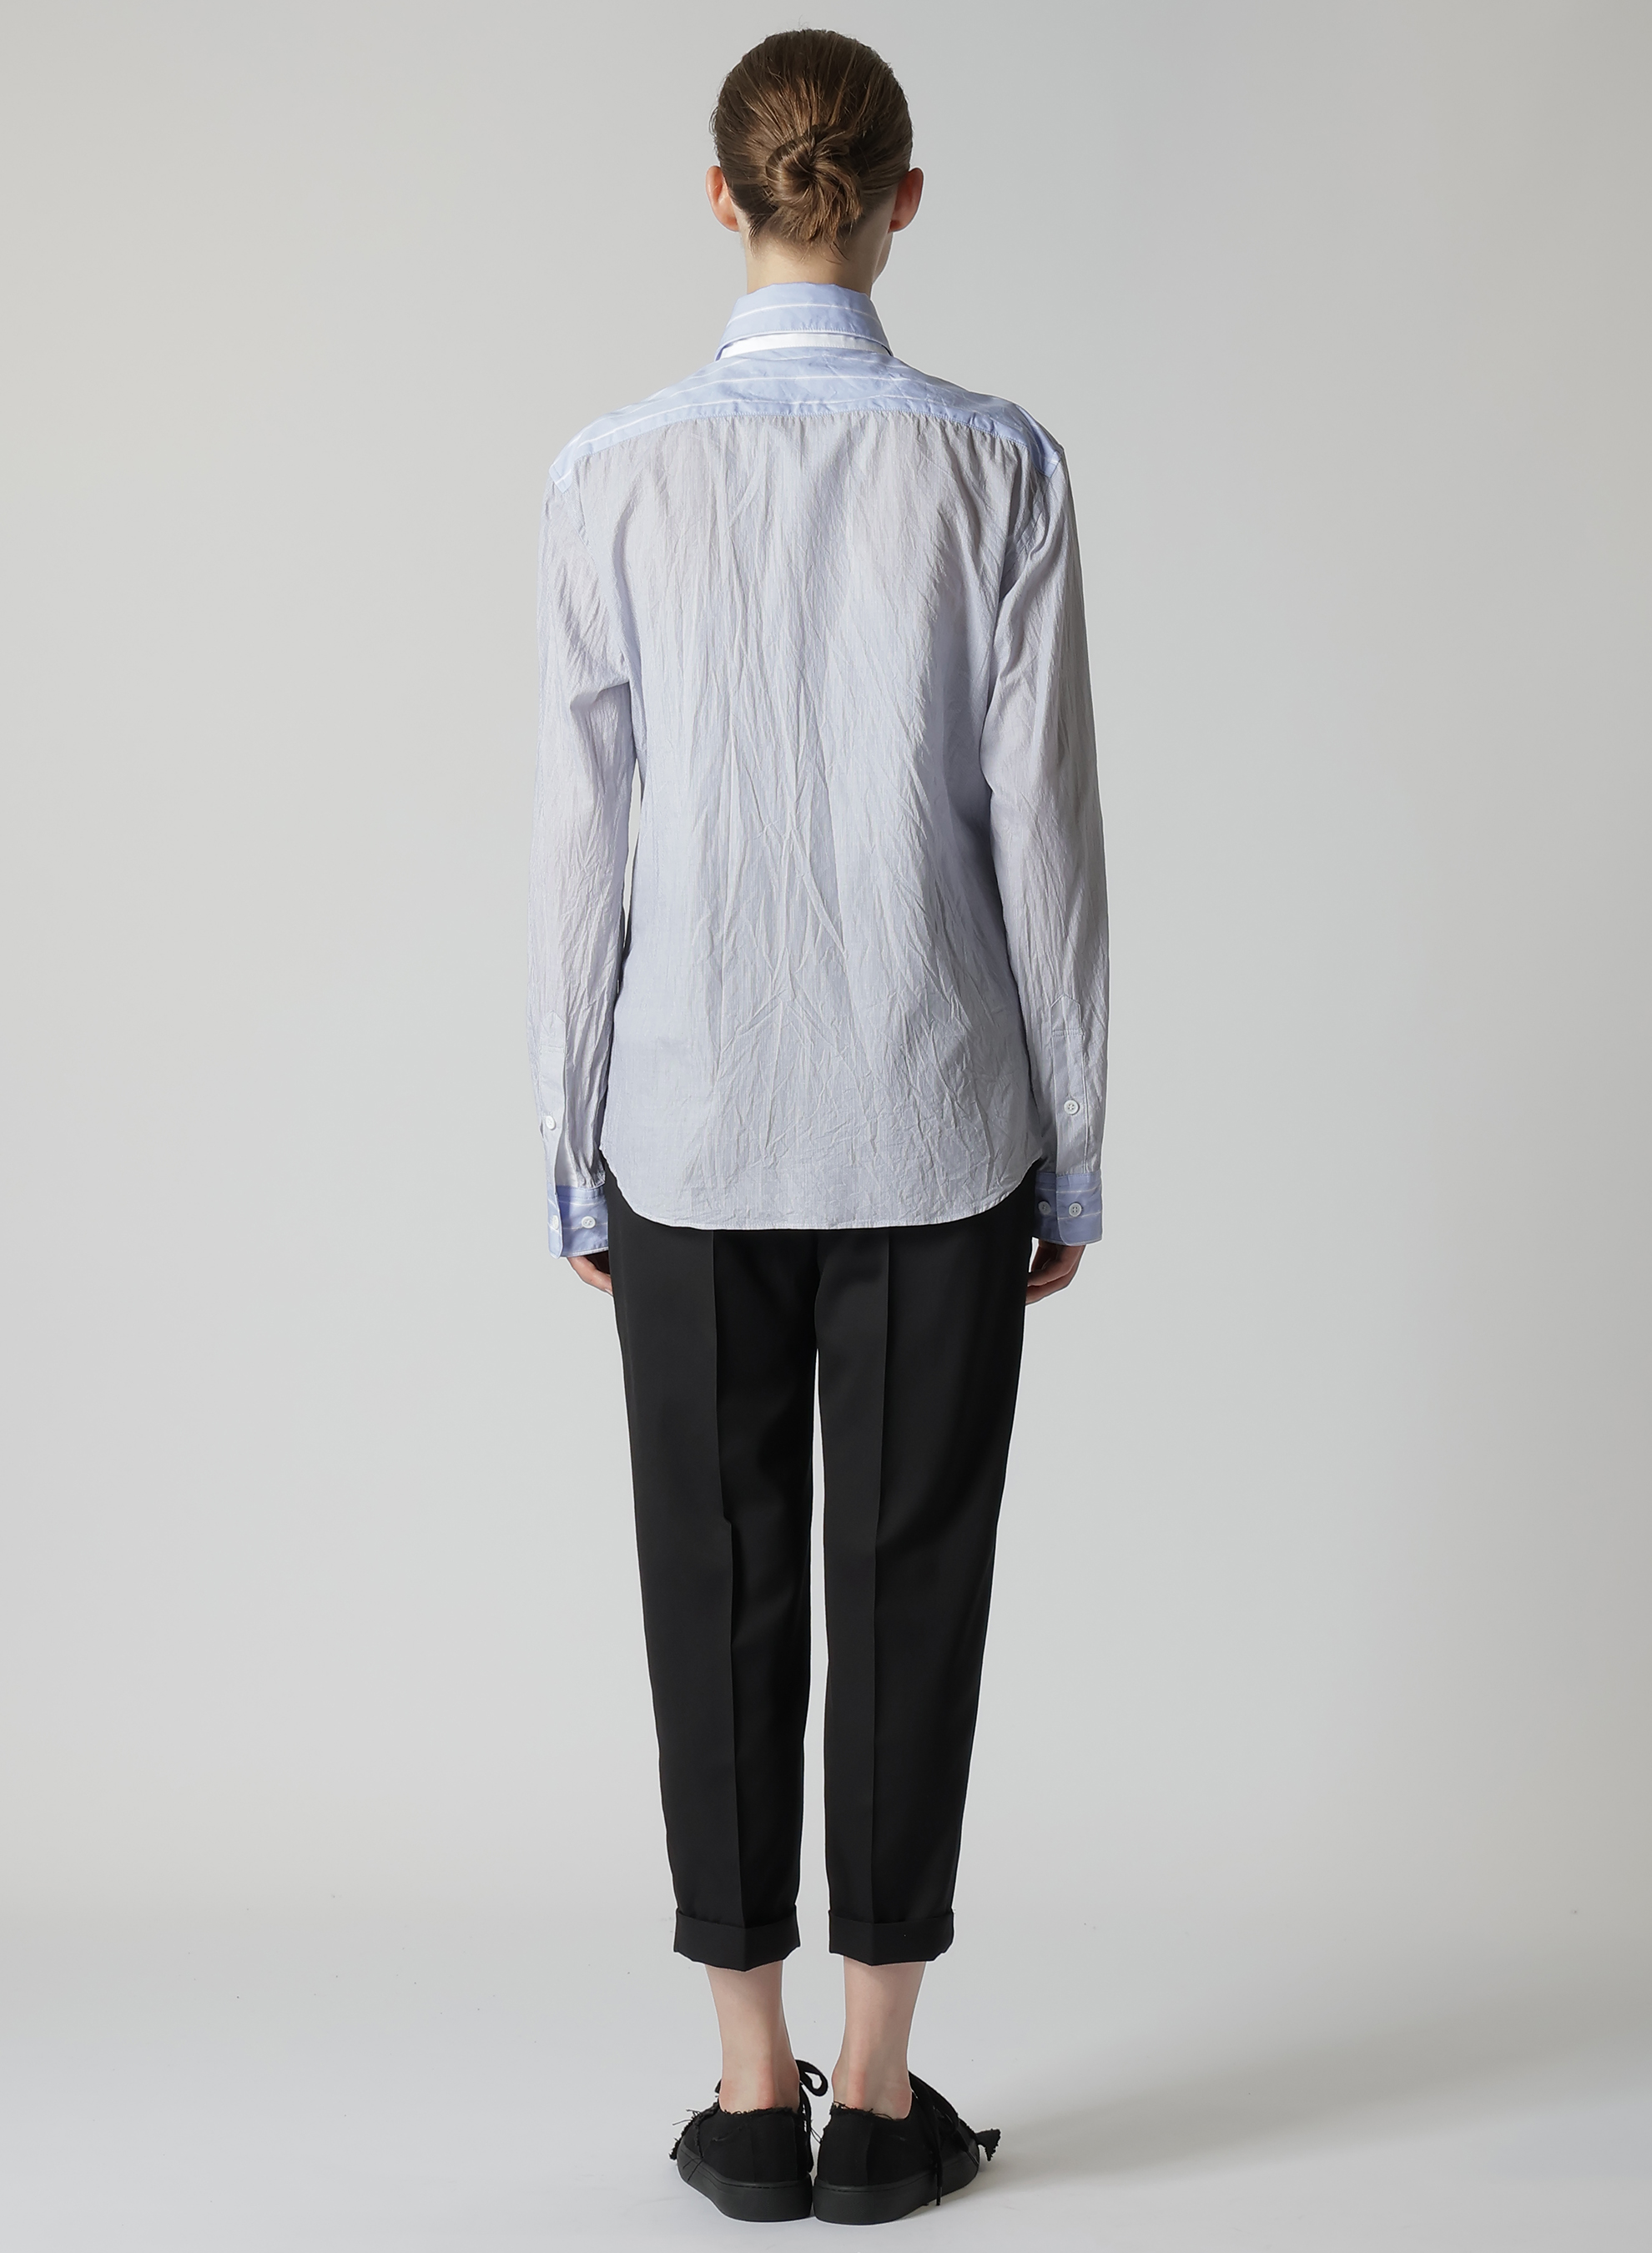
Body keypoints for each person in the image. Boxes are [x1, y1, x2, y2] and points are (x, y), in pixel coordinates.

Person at [527, 26, 1107, 2226]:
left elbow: (578, 847)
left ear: (722, 198)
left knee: (713, 1583)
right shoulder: (1001, 467)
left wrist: (567, 1138)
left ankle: (746, 2089)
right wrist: (1069, 1137)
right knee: (911, 1580)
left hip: (686, 1120)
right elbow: (1043, 838)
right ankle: (878, 2099)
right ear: (901, 199)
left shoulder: (612, 472)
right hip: (938, 1112)